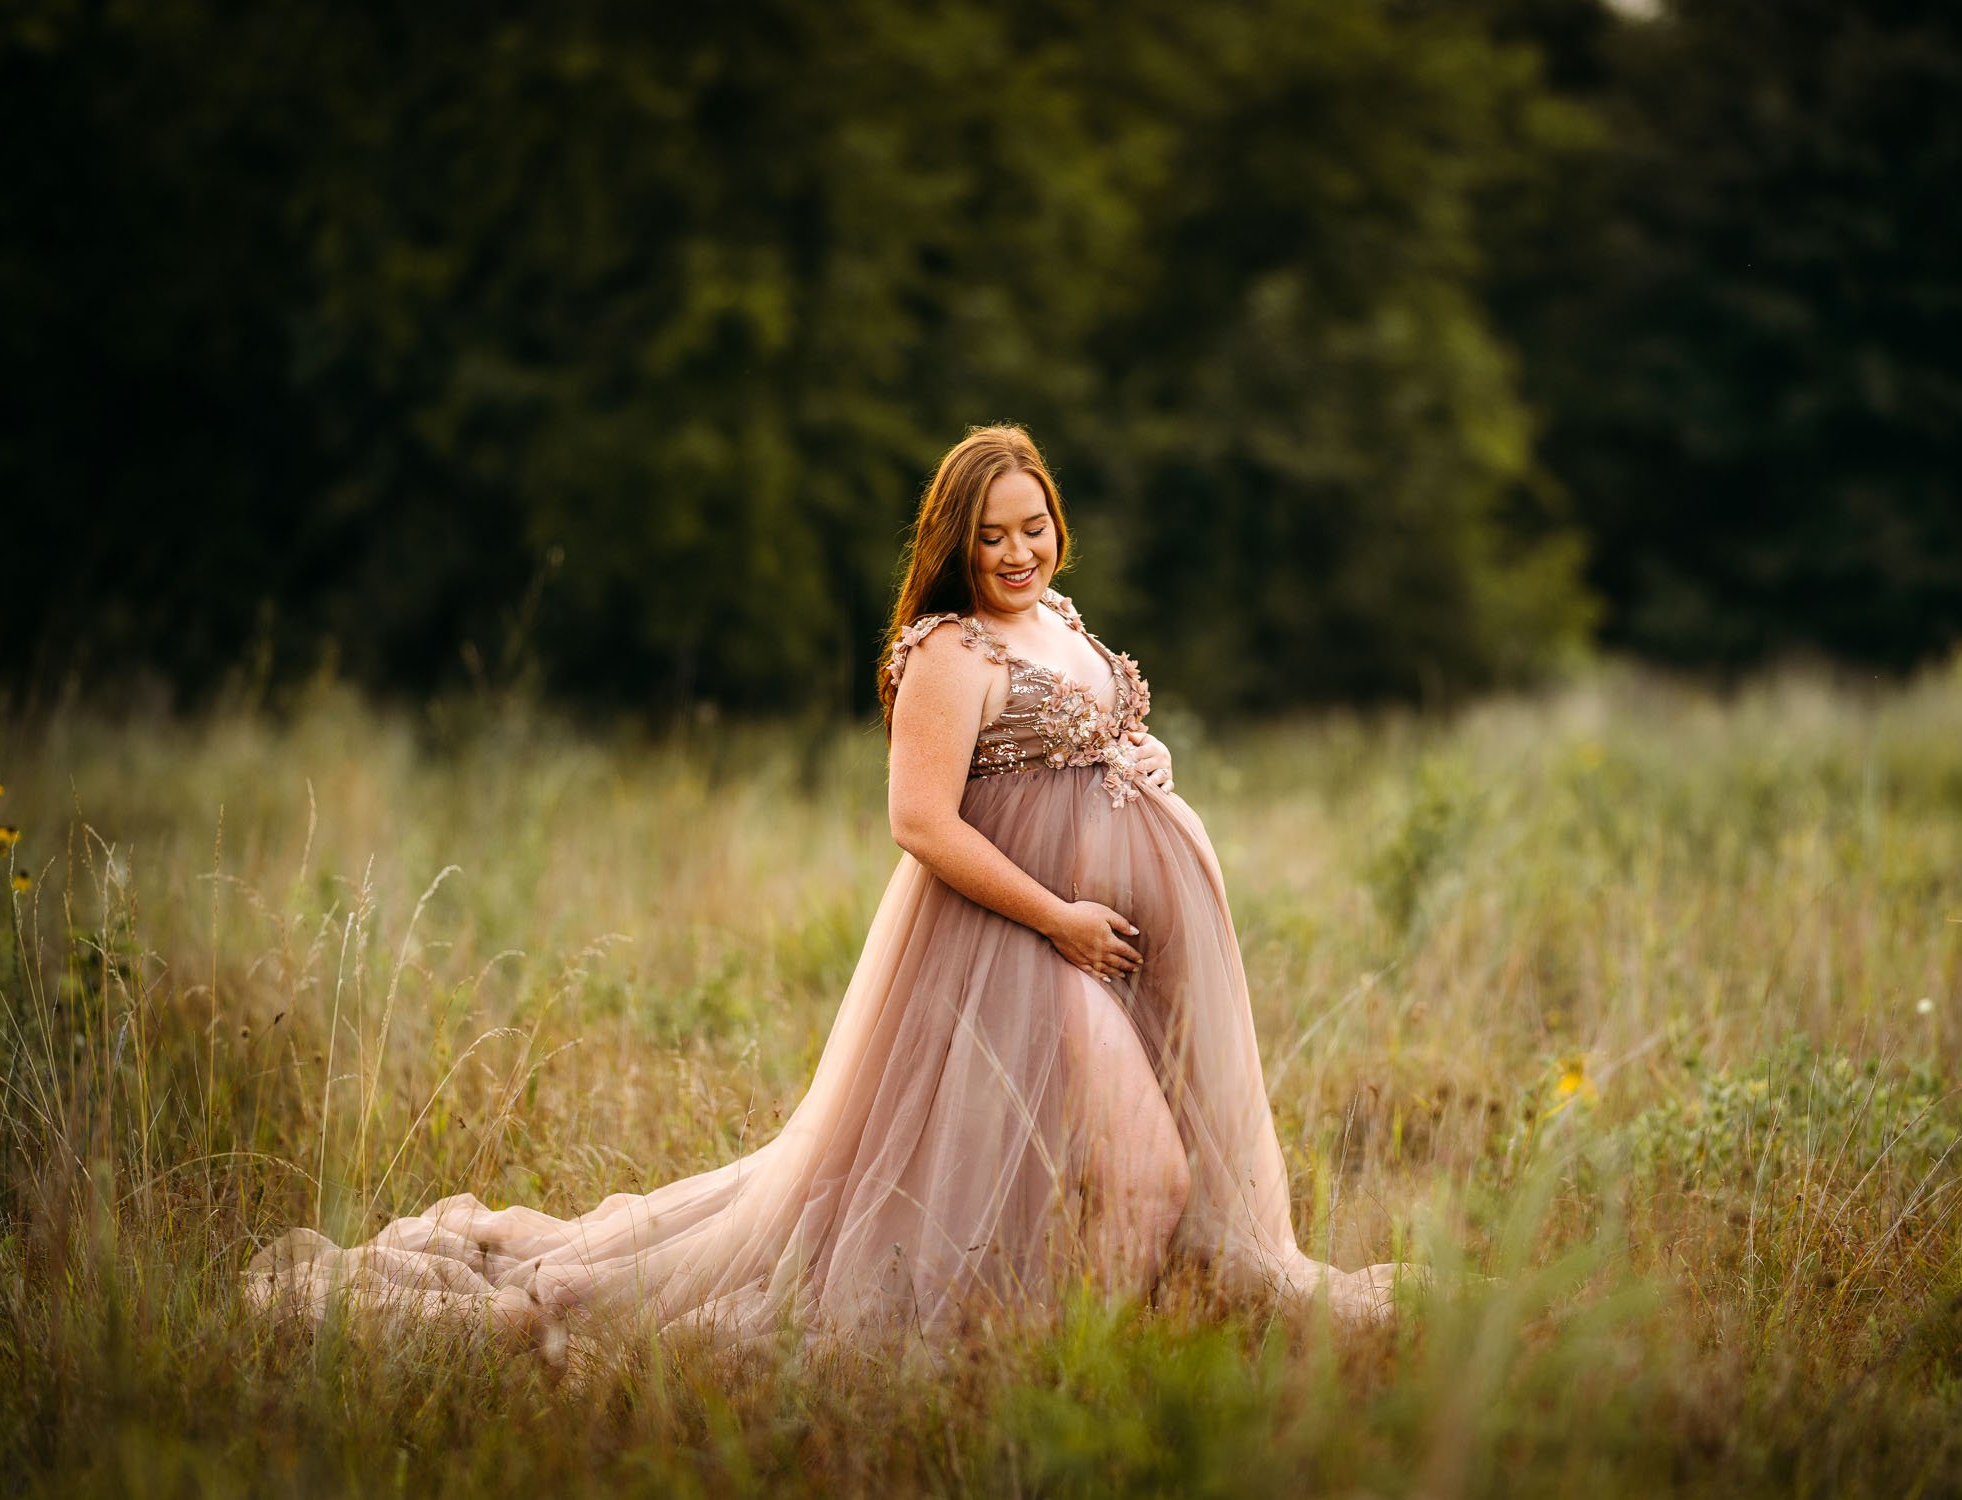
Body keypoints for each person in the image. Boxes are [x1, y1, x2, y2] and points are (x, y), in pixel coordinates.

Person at [245, 425, 1405, 1353]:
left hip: (1112, 942)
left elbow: (1086, 743)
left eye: (1034, 526)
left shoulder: (1057, 621)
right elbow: (919, 821)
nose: (1018, 553)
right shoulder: (949, 653)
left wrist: (1143, 765)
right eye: (993, 536)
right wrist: (1055, 916)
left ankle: (1078, 1336)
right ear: (955, 541)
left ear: (1058, 522)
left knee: (1110, 1173)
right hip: (1026, 944)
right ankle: (1054, 1367)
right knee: (1146, 1172)